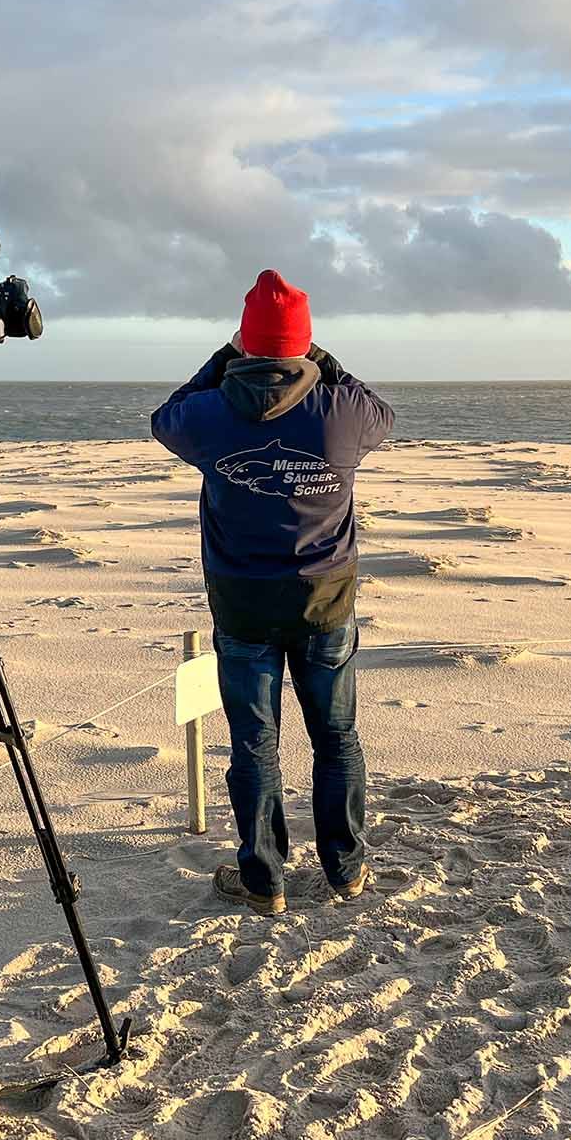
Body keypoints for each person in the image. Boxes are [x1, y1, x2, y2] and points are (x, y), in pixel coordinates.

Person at [151, 269, 394, 916]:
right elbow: (380, 409)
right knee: (336, 737)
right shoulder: (341, 412)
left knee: (255, 744)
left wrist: (224, 357)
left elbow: (166, 417)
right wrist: (318, 357)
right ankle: (346, 868)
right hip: (325, 600)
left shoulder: (210, 413)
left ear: (245, 341)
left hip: (243, 605)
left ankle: (265, 880)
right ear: (304, 342)